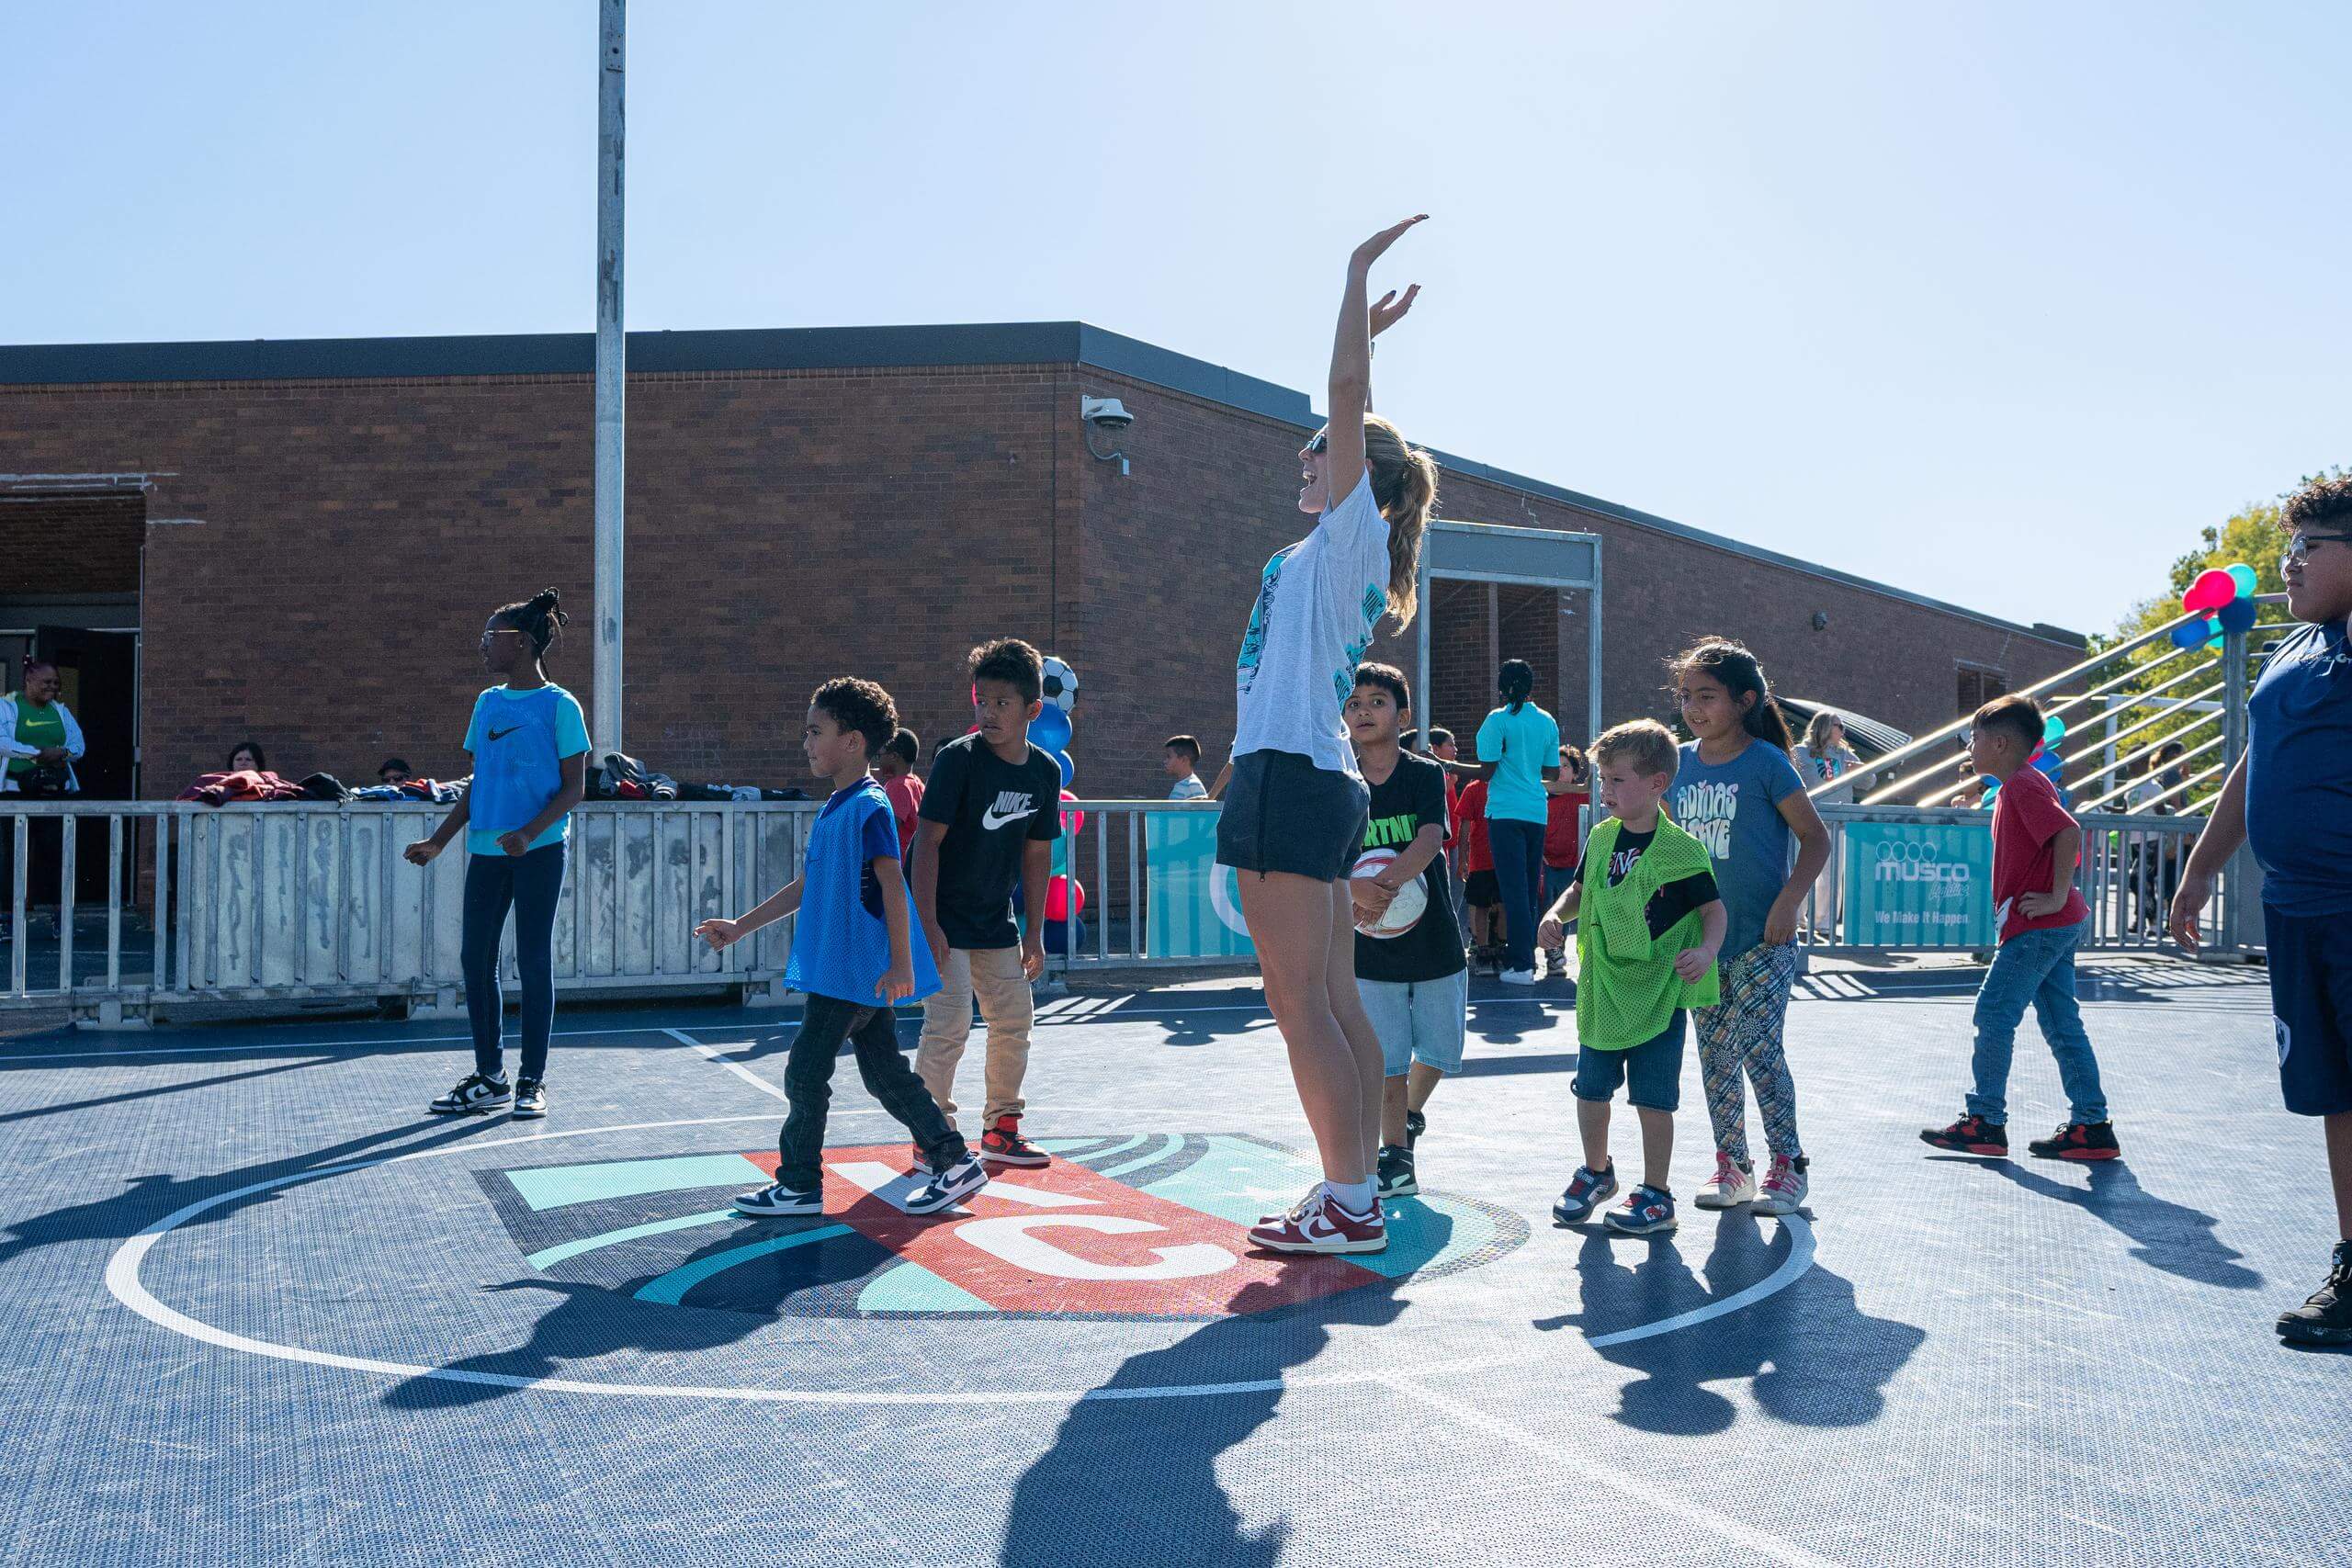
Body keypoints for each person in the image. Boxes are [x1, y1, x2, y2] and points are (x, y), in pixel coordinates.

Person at [1219, 214, 1434, 1257]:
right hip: (1303, 774)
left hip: (1290, 777)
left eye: (1322, 450)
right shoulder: (1314, 551)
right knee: (1331, 994)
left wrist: (1354, 279)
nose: (1305, 456)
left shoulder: (1350, 530)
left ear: (1357, 475)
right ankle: (1352, 1194)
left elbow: (1345, 400)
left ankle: (1347, 1199)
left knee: (1297, 999)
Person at [2173, 476, 2352, 1347]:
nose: (2288, 562)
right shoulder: (2293, 650)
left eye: (2310, 546)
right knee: (2335, 1094)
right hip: (2296, 907)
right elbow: (2254, 765)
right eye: (2289, 545)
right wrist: (2201, 869)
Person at [696, 677, 980, 1218]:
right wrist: (740, 926)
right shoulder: (837, 807)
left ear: (852, 741)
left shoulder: (869, 806)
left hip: (854, 971)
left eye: (815, 731)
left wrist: (901, 962)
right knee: (884, 1073)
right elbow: (811, 884)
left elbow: (893, 883)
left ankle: (800, 1184)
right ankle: (953, 1159)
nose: (805, 742)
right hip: (850, 970)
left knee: (805, 1070)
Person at [404, 589, 591, 1122]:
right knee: (475, 960)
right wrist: (439, 840)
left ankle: (532, 1080)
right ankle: (490, 1077)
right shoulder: (486, 704)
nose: (483, 644)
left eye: (493, 635)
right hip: (486, 852)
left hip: (540, 850)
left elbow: (574, 788)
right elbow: (479, 783)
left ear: (525, 642)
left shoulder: (560, 705)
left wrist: (530, 833)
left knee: (533, 961)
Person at [1541, 719, 1725, 1235]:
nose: (1606, 789)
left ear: (1657, 784)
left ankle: (1656, 1194)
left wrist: (1708, 950)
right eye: (1603, 779)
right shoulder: (1601, 839)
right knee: (1590, 1088)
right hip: (1603, 988)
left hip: (1657, 993)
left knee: (1653, 1097)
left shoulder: (1681, 852)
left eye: (1618, 779)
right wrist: (1556, 915)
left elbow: (1714, 911)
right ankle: (1596, 1173)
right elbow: (1580, 890)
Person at [1668, 638, 1831, 1217]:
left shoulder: (1767, 762)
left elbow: (1816, 839)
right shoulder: (1678, 763)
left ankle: (1788, 1164)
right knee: (1714, 1056)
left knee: (1761, 1050)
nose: (1692, 707)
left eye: (1706, 696)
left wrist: (1788, 904)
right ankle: (1733, 1167)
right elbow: (1666, 847)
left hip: (1765, 937)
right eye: (1685, 695)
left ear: (1745, 700)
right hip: (1702, 944)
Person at [1921, 693, 2118, 1163]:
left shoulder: (2023, 787)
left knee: (1993, 1014)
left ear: (2002, 743)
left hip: (2041, 923)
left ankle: (1985, 1121)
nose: (1969, 747)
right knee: (2061, 1023)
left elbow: (2067, 831)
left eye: (1974, 739)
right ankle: (2092, 1126)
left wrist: (2051, 895)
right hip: (2055, 921)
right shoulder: (2020, 784)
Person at [912, 638, 1061, 1169]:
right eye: (982, 701)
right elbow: (926, 843)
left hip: (998, 922)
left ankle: (1001, 1128)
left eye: (1002, 704)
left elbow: (1037, 854)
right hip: (945, 921)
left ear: (1032, 710)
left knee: (1014, 1022)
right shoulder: (958, 760)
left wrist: (1036, 931)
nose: (989, 713)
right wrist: (927, 925)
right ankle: (935, 1137)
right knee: (947, 1029)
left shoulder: (1044, 771)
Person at [1344, 663, 1465, 1201]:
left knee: (1441, 1051)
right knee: (1388, 1058)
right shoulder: (1337, 778)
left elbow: (1431, 839)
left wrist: (1381, 884)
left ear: (1403, 715)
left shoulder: (1422, 774)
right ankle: (1395, 1155)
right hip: (1368, 944)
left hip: (1434, 936)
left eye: (1376, 701)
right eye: (1354, 703)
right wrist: (1355, 889)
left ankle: (1408, 1114)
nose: (1363, 711)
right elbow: (1326, 856)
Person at [1476, 659, 1562, 984]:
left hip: (1504, 812)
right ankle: (1529, 960)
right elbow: (1552, 772)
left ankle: (1522, 965)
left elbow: (1487, 771)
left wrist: (1446, 765)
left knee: (1513, 890)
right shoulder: (1546, 721)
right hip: (1535, 811)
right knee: (1527, 891)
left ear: (1501, 686)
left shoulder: (1496, 720)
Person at [1, 658, 86, 936]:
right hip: (15, 793)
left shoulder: (60, 711)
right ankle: (9, 920)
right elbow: (3, 742)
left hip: (53, 793)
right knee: (12, 857)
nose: (53, 687)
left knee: (57, 855)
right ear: (28, 680)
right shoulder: (8, 706)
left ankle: (60, 917)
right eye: (46, 682)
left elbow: (78, 745)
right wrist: (37, 752)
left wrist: (62, 753)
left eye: (56, 682)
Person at [1791, 712, 1862, 940]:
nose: (1843, 731)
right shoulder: (1800, 752)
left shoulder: (1845, 754)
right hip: (1806, 820)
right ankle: (1796, 920)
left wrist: (1858, 771)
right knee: (1800, 870)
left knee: (1832, 875)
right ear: (1823, 726)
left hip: (1838, 821)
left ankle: (1825, 923)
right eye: (1838, 726)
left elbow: (1869, 781)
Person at [2126, 740, 2188, 935]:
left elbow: (2161, 814)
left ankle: (2152, 921)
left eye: (2132, 762)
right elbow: (2127, 810)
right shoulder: (2130, 786)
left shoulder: (2153, 787)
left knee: (2139, 879)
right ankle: (2142, 919)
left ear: (2143, 762)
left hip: (2151, 840)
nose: (2128, 766)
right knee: (2141, 881)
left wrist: (2169, 841)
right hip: (2135, 840)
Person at [1540, 743, 1591, 975]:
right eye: (1556, 767)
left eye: (1565, 766)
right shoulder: (1542, 798)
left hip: (1574, 865)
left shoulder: (1584, 798)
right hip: (1548, 863)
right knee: (1548, 908)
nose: (1561, 771)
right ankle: (1550, 951)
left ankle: (1558, 952)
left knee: (1568, 911)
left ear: (1574, 772)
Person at [1456, 772, 1500, 975]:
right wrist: (1462, 859)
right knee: (1480, 907)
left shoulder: (1509, 784)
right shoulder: (1473, 788)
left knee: (1504, 906)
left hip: (1504, 860)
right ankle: (1482, 951)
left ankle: (1499, 950)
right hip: (1480, 860)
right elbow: (1464, 827)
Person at [875, 727, 925, 858]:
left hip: (898, 867)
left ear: (894, 756)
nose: (878, 761)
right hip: (912, 865)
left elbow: (888, 831)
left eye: (879, 756)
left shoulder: (897, 786)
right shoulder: (916, 783)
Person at [1163, 735, 1209, 799]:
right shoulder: (1183, 785)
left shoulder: (1193, 786)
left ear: (1184, 760)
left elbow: (1201, 808)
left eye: (1169, 757)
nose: (1165, 761)